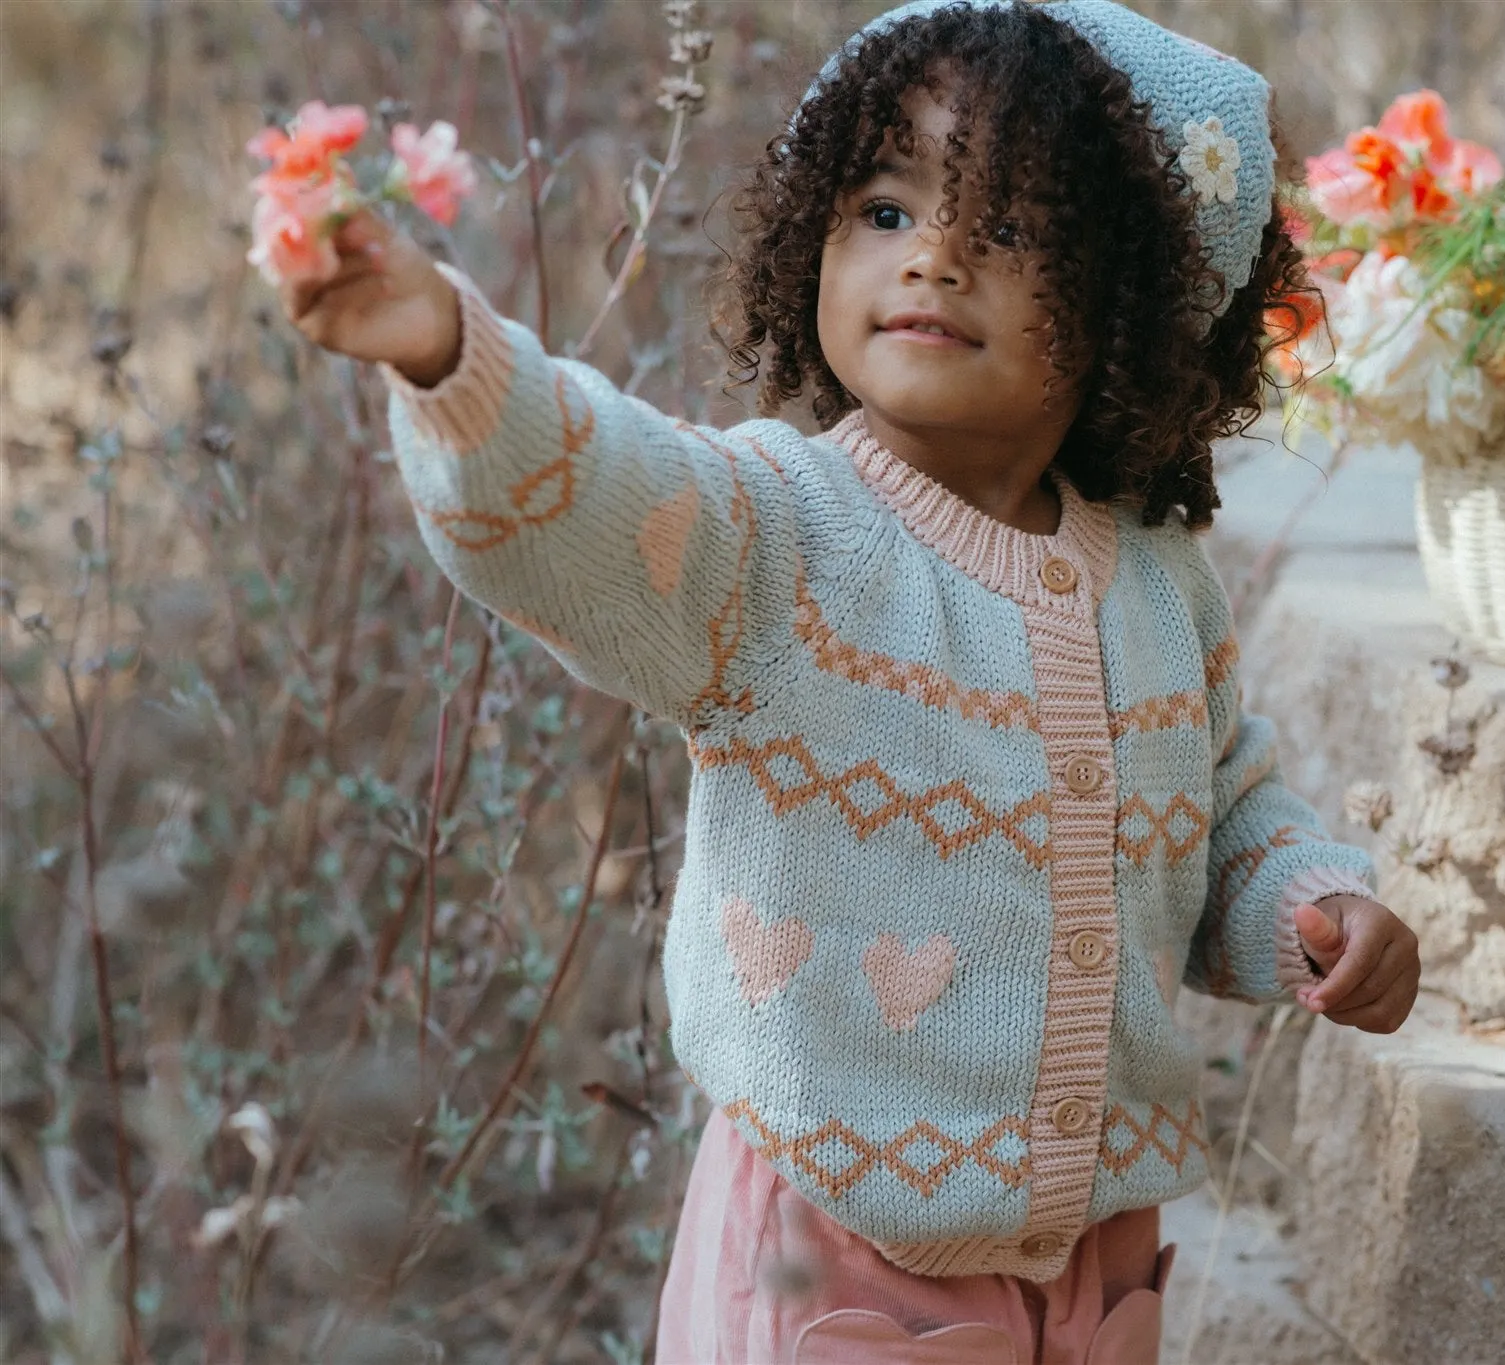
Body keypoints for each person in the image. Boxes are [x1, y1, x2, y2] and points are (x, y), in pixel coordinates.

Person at [278, 2, 1420, 1359]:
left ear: (1139, 306)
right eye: (885, 209)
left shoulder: (1161, 587)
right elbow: (588, 497)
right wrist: (449, 359)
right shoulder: (775, 538)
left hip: (1090, 1268)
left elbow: (1223, 808)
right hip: (832, 1256)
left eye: (1007, 228)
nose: (932, 257)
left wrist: (1308, 904)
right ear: (810, 233)